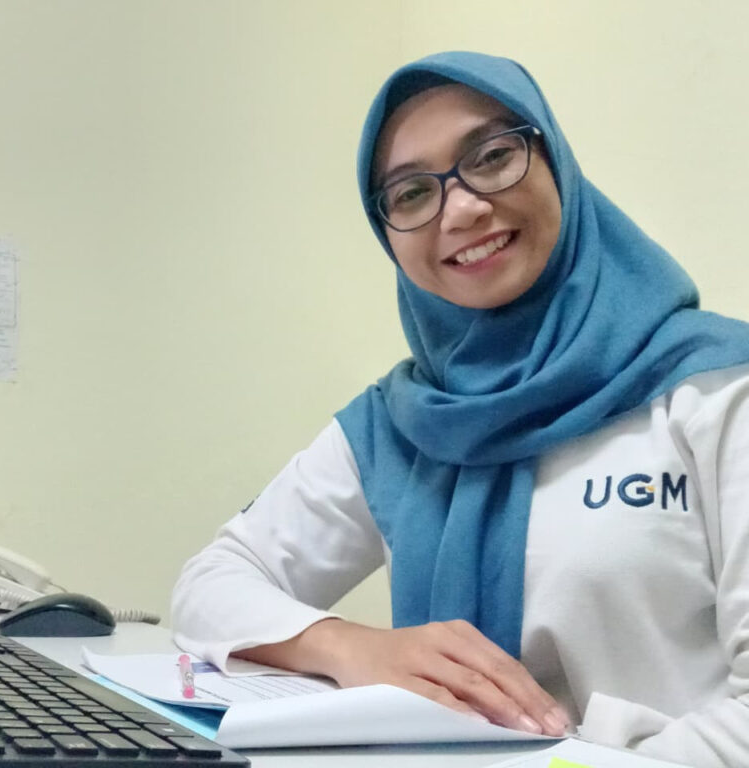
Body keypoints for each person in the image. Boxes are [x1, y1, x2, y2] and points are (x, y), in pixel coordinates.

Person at [170, 51, 749, 768]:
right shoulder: (401, 425)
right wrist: (352, 648)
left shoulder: (715, 387)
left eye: (492, 156)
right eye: (412, 193)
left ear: (554, 161)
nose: (463, 208)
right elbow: (211, 585)